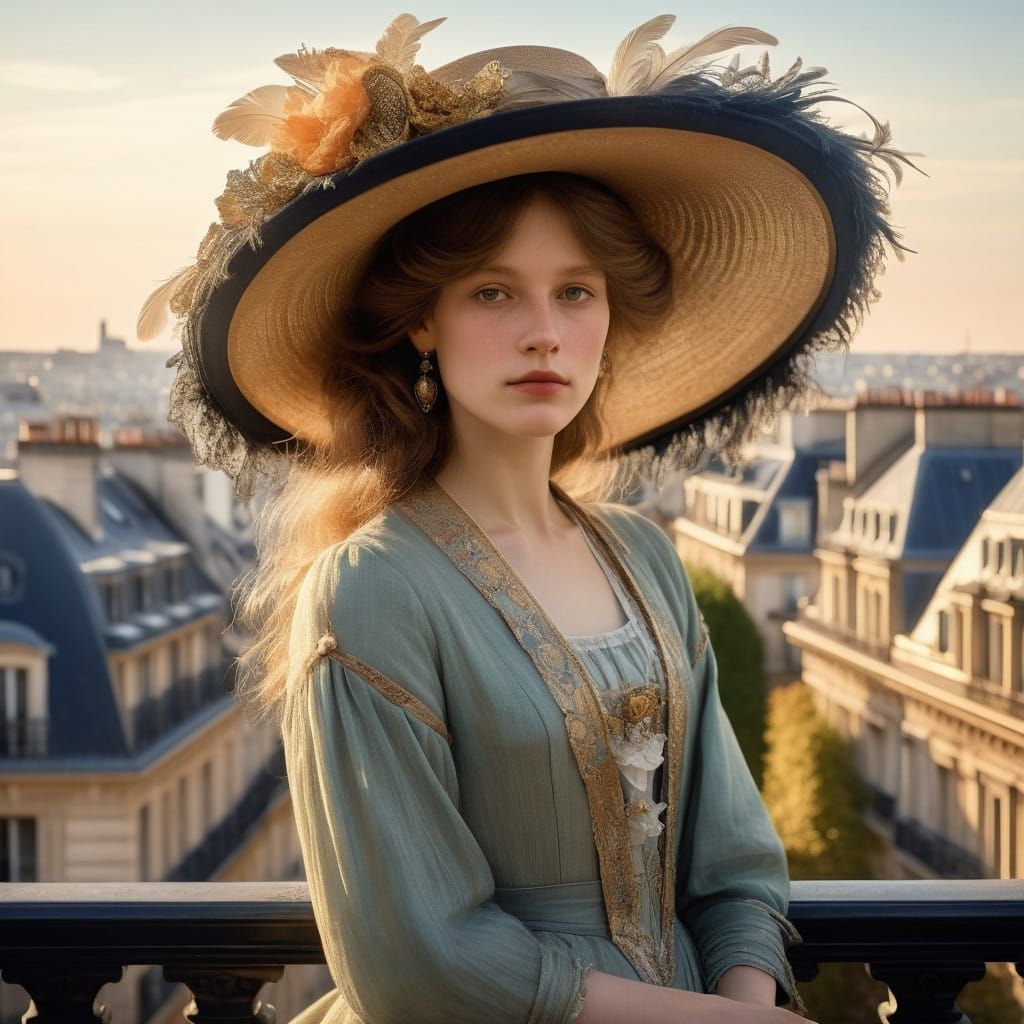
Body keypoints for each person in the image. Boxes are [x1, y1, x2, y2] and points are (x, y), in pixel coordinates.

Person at [137, 13, 922, 1023]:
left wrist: (740, 991)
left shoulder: (644, 554)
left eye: (576, 292)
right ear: (422, 317)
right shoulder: (371, 588)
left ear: (610, 315)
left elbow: (733, 859)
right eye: (494, 291)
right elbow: (418, 962)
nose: (544, 333)